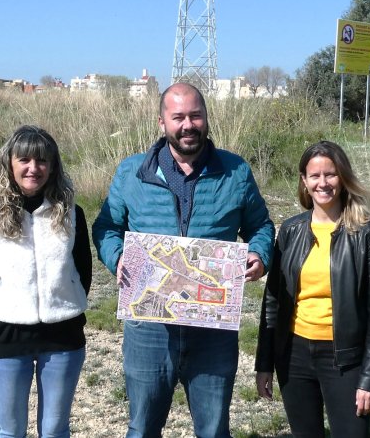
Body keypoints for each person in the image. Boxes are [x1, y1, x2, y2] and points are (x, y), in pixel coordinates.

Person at [92, 82, 275, 438]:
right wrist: (119, 261)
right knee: (142, 428)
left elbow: (261, 225)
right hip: (149, 327)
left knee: (213, 430)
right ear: (162, 122)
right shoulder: (131, 172)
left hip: (212, 328)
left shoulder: (235, 172)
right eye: (178, 117)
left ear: (206, 118)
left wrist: (259, 254)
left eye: (195, 115)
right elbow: (107, 227)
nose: (187, 125)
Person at [254, 140, 370, 438]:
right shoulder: (291, 230)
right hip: (294, 355)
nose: (323, 183)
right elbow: (273, 302)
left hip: (345, 359)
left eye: (330, 174)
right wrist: (264, 363)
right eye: (314, 176)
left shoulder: (369, 233)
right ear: (304, 181)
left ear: (342, 178)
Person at [0, 125, 91, 438]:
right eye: (24, 160)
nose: (33, 168)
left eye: (42, 161)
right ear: (10, 163)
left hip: (63, 336)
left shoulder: (71, 214)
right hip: (7, 335)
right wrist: (7, 308)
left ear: (53, 166)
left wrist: (61, 303)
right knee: (10, 431)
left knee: (54, 430)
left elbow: (82, 272)